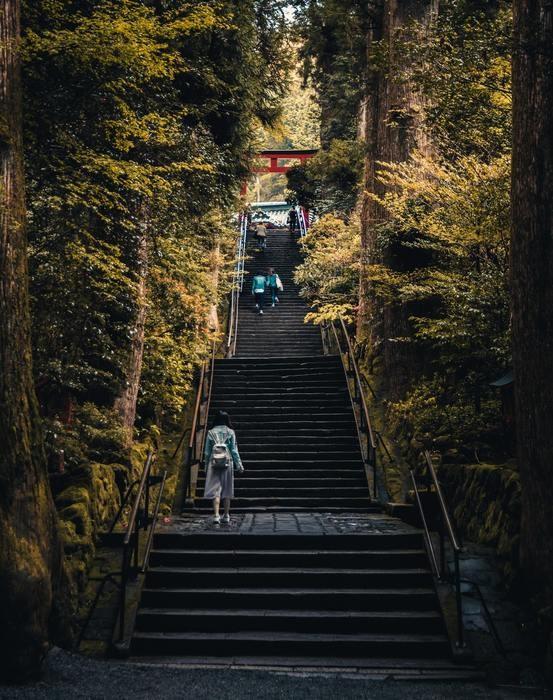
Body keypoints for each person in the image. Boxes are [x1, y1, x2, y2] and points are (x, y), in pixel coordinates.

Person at [203, 410, 244, 524]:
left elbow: (207, 452)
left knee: (215, 489)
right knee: (227, 488)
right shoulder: (230, 432)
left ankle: (216, 515)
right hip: (228, 461)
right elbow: (234, 450)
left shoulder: (210, 432)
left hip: (213, 462)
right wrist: (239, 465)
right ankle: (226, 515)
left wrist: (206, 466)